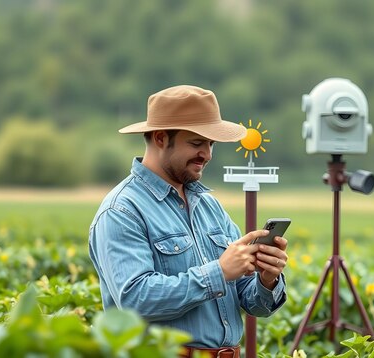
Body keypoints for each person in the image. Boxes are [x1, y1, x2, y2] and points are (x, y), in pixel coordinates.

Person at [88, 85, 288, 357]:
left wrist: (267, 279)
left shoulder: (210, 206)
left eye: (210, 144)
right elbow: (135, 300)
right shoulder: (121, 210)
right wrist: (219, 271)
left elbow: (252, 302)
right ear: (160, 138)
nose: (206, 154)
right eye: (196, 143)